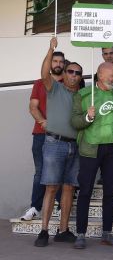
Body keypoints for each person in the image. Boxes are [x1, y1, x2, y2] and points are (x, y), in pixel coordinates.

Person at [71, 62, 113, 249]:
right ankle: (81, 234)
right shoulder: (84, 95)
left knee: (110, 193)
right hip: (90, 149)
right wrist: (88, 117)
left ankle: (107, 232)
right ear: (100, 75)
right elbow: (74, 121)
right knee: (85, 191)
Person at [33, 38, 83, 247]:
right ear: (64, 73)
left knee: (69, 188)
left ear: (81, 77)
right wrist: (50, 49)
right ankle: (44, 230)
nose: (72, 75)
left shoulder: (84, 96)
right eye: (69, 71)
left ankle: (63, 230)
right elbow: (45, 73)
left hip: (75, 145)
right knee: (51, 187)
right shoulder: (55, 88)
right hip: (55, 144)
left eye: (77, 73)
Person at [22, 48, 65, 222]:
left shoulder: (69, 83)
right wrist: (44, 122)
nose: (58, 64)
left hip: (62, 136)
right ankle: (35, 207)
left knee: (61, 172)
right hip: (41, 134)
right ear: (49, 63)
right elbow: (33, 107)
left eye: (61, 62)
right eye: (55, 61)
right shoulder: (39, 83)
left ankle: (62, 207)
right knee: (40, 172)